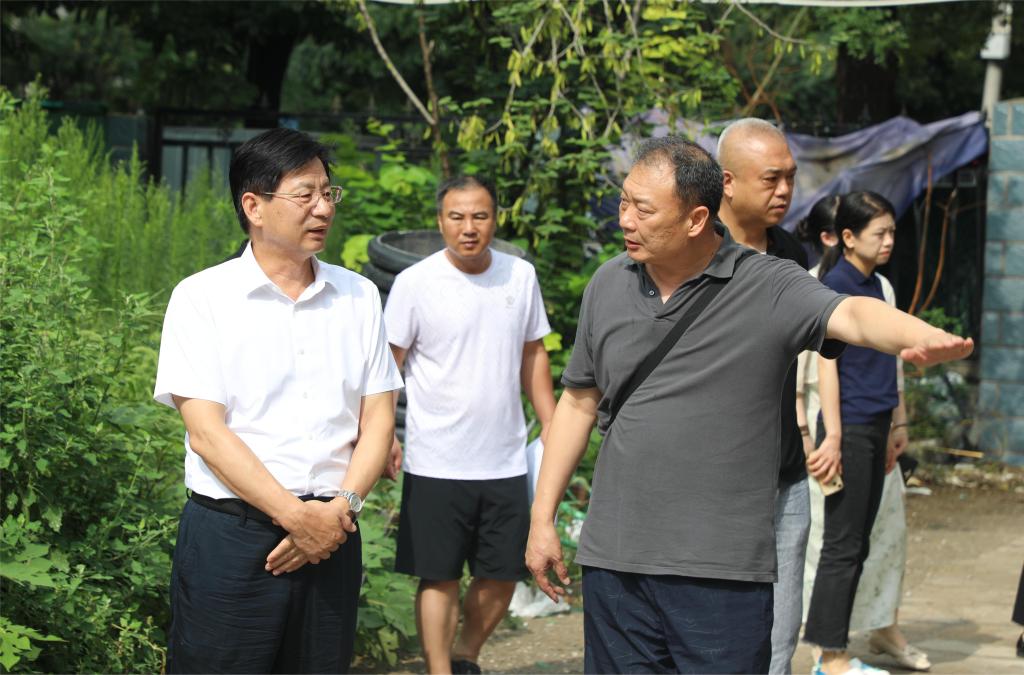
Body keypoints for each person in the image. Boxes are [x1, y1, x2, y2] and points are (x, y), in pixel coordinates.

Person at [525, 136, 973, 674]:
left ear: (696, 219)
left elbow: (852, 314)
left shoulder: (767, 283)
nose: (625, 220)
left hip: (720, 574)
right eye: (625, 202)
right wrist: (542, 518)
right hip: (615, 564)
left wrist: (919, 336)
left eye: (643, 210)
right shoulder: (608, 283)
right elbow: (578, 403)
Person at [153, 128, 402, 673]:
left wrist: (338, 513)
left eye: (328, 194)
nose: (323, 208)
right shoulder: (202, 298)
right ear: (254, 207)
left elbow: (379, 419)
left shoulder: (358, 296)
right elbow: (207, 433)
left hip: (335, 531)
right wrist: (295, 518)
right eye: (305, 194)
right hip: (234, 538)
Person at [383, 175, 556, 675]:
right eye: (457, 217)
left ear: (495, 219)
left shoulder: (519, 275)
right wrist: (384, 433)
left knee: (502, 573)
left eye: (480, 216)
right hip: (435, 458)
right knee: (437, 575)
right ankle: (440, 669)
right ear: (440, 222)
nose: (469, 227)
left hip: (504, 457)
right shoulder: (415, 282)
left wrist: (551, 422)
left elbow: (533, 353)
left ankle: (465, 657)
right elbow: (388, 364)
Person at [797, 194, 930, 673]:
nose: (889, 241)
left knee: (860, 542)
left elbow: (891, 360)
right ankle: (829, 654)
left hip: (875, 424)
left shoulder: (878, 285)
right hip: (848, 427)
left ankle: (837, 646)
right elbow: (825, 367)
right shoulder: (833, 287)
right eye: (880, 233)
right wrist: (830, 436)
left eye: (892, 231)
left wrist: (897, 424)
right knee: (842, 544)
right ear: (848, 237)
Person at [718, 117, 810, 675]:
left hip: (783, 469)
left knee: (781, 629)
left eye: (790, 178)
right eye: (771, 178)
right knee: (711, 629)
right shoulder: (693, 249)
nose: (785, 190)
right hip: (713, 477)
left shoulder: (791, 253)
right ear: (727, 182)